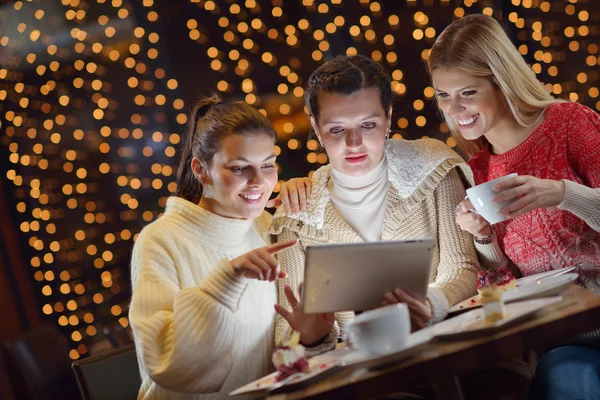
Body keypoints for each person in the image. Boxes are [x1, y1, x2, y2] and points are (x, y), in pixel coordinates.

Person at [426, 14, 600, 400]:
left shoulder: (568, 123)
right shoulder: (480, 166)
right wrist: (484, 235)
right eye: (443, 94)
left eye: (467, 92)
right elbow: (509, 278)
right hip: (563, 341)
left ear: (501, 81)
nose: (454, 108)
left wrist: (562, 193)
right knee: (560, 380)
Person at [268, 54, 480, 354]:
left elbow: (465, 267)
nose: (354, 143)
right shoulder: (296, 214)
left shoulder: (435, 168)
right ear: (316, 127)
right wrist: (312, 336)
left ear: (388, 118)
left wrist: (431, 304)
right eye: (337, 129)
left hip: (452, 352)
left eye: (368, 125)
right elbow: (286, 332)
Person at [128, 96, 296, 400]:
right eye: (240, 168)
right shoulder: (161, 240)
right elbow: (169, 364)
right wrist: (225, 281)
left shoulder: (264, 226)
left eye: (268, 165)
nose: (259, 181)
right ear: (201, 170)